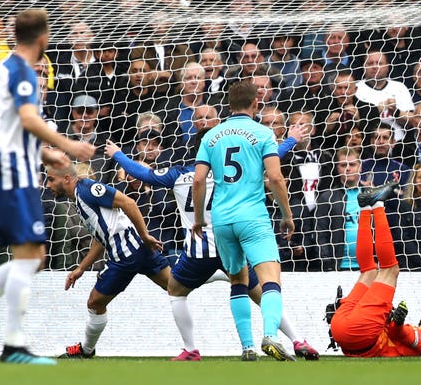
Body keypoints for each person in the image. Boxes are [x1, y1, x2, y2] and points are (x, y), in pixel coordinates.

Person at [0, 9, 95, 365]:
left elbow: (9, 128)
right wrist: (69, 147)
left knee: (33, 257)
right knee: (30, 257)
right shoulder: (24, 72)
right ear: (43, 38)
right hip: (12, 174)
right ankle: (5, 340)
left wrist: (44, 154)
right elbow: (27, 119)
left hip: (13, 168)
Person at [104, 126, 319, 361]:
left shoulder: (178, 174)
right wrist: (291, 140)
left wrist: (118, 154)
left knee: (175, 290)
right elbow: (272, 155)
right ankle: (298, 340)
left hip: (199, 251)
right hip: (230, 243)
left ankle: (191, 349)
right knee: (260, 293)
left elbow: (145, 175)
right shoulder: (233, 174)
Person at [192, 81, 296, 361]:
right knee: (270, 278)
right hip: (253, 217)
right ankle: (271, 336)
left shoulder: (211, 136)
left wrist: (200, 219)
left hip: (222, 219)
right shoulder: (263, 133)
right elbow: (275, 177)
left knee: (238, 279)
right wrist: (287, 215)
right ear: (255, 104)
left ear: (228, 106)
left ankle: (247, 347)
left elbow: (199, 179)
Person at [47, 162, 170, 359]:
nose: (47, 184)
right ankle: (223, 273)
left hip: (125, 255)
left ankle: (86, 350)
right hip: (137, 247)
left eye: (51, 179)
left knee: (95, 303)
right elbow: (101, 238)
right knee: (176, 286)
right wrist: (81, 268)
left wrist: (145, 234)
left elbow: (129, 202)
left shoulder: (87, 189)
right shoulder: (79, 199)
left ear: (67, 178)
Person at [330, 181, 421, 357]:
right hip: (343, 330)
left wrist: (399, 322)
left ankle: (378, 204)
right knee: (369, 271)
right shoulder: (412, 348)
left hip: (359, 334)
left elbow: (396, 333)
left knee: (391, 269)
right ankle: (365, 207)